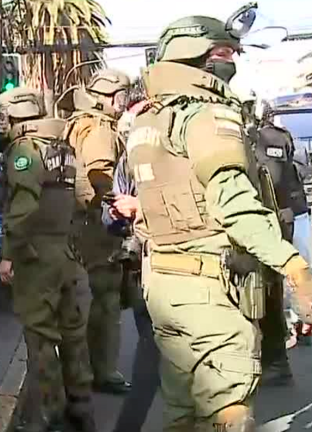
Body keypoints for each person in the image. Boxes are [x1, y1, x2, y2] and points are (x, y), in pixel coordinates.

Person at [126, 12, 312, 431]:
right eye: (224, 52)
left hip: (165, 286)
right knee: (228, 413)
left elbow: (151, 204)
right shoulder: (207, 117)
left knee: (181, 410)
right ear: (196, 57)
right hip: (210, 291)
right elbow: (234, 204)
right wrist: (296, 269)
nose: (232, 61)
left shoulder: (147, 121)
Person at [0, 88, 95, 432]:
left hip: (36, 256)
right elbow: (84, 198)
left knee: (40, 338)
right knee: (72, 335)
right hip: (66, 252)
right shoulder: (63, 148)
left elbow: (23, 206)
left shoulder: (25, 150)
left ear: (15, 117)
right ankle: (81, 409)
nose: (1, 124)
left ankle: (48, 415)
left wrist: (8, 255)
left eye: (3, 117)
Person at [65, 68, 132, 394]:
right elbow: (99, 174)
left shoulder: (81, 122)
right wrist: (117, 208)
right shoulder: (100, 129)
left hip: (83, 223)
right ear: (111, 96)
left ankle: (88, 371)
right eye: (122, 96)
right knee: (105, 299)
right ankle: (102, 371)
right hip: (96, 227)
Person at [103, 82, 162, 432]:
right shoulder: (128, 159)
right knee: (152, 353)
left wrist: (139, 209)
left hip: (173, 269)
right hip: (147, 267)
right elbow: (110, 218)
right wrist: (121, 213)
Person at [252, 108, 310, 386]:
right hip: (268, 222)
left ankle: (275, 360)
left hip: (271, 223)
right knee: (266, 293)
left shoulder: (268, 138)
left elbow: (276, 179)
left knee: (270, 292)